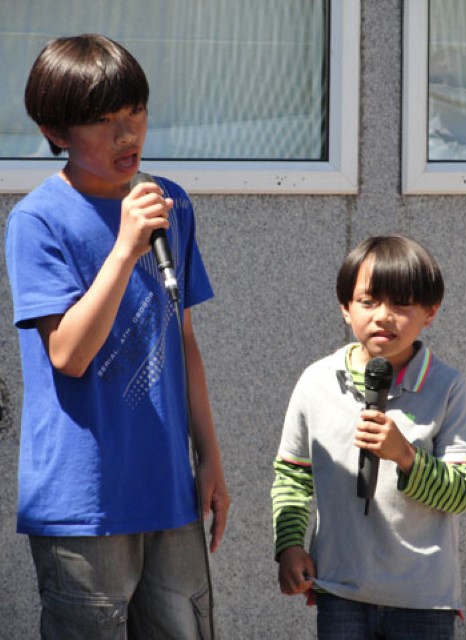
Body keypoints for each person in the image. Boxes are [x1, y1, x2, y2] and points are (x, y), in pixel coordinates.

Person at [5, 34, 229, 639]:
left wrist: (208, 457)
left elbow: (183, 340)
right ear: (55, 131)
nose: (127, 133)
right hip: (86, 501)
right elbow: (69, 354)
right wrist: (126, 248)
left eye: (136, 112)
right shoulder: (38, 220)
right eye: (104, 121)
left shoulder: (170, 204)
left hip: (169, 490)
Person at [271, 235, 466, 639]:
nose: (383, 316)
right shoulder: (317, 381)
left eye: (401, 304)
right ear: (345, 307)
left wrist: (405, 456)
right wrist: (289, 545)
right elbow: (292, 475)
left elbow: (461, 493)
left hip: (423, 599)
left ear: (430, 311)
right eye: (368, 302)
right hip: (340, 591)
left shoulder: (448, 387)